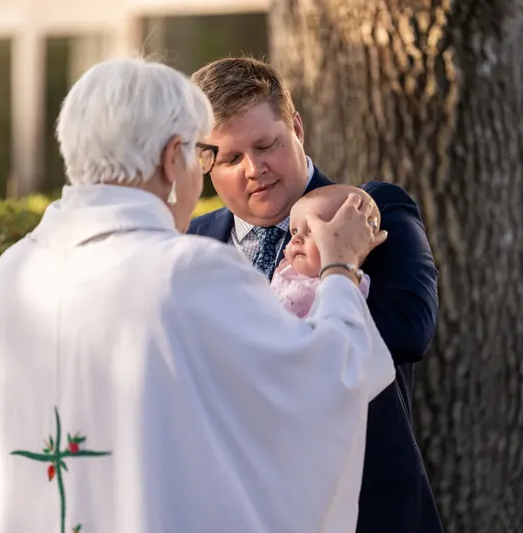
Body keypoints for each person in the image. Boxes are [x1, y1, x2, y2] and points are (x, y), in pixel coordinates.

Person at [0, 58, 397, 533]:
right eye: (202, 158)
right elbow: (329, 381)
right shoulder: (187, 272)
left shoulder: (12, 273)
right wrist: (341, 266)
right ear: (172, 157)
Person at [189, 57, 443, 533]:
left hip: (366, 507)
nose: (254, 169)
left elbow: (411, 328)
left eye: (267, 145)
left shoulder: (368, 209)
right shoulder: (191, 242)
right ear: (205, 165)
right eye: (230, 158)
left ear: (297, 128)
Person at [272, 185, 374, 318]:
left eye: (311, 230)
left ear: (351, 243)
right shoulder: (286, 271)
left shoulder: (346, 283)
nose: (296, 239)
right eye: (294, 231)